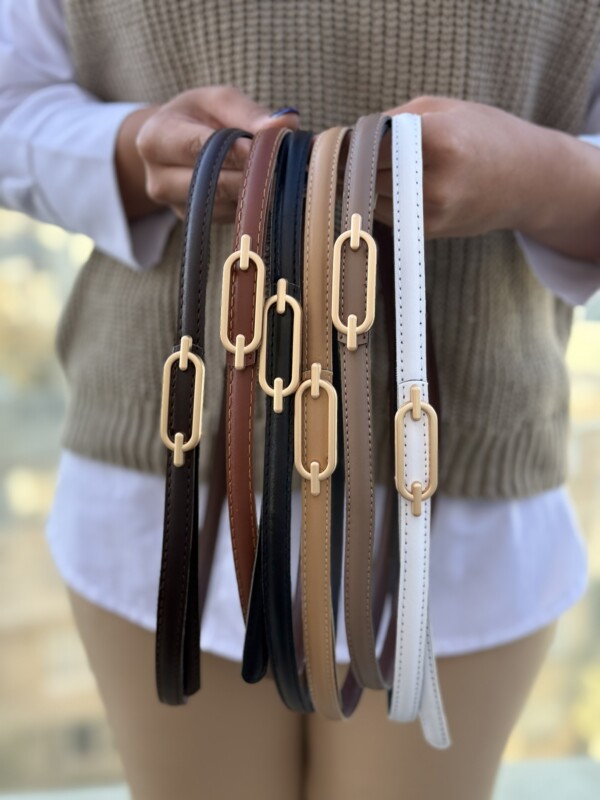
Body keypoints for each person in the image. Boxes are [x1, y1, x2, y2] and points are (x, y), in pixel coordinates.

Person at [1, 1, 600, 798]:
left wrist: (541, 179)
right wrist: (131, 151)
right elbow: (12, 99)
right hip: (166, 489)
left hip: (458, 502)